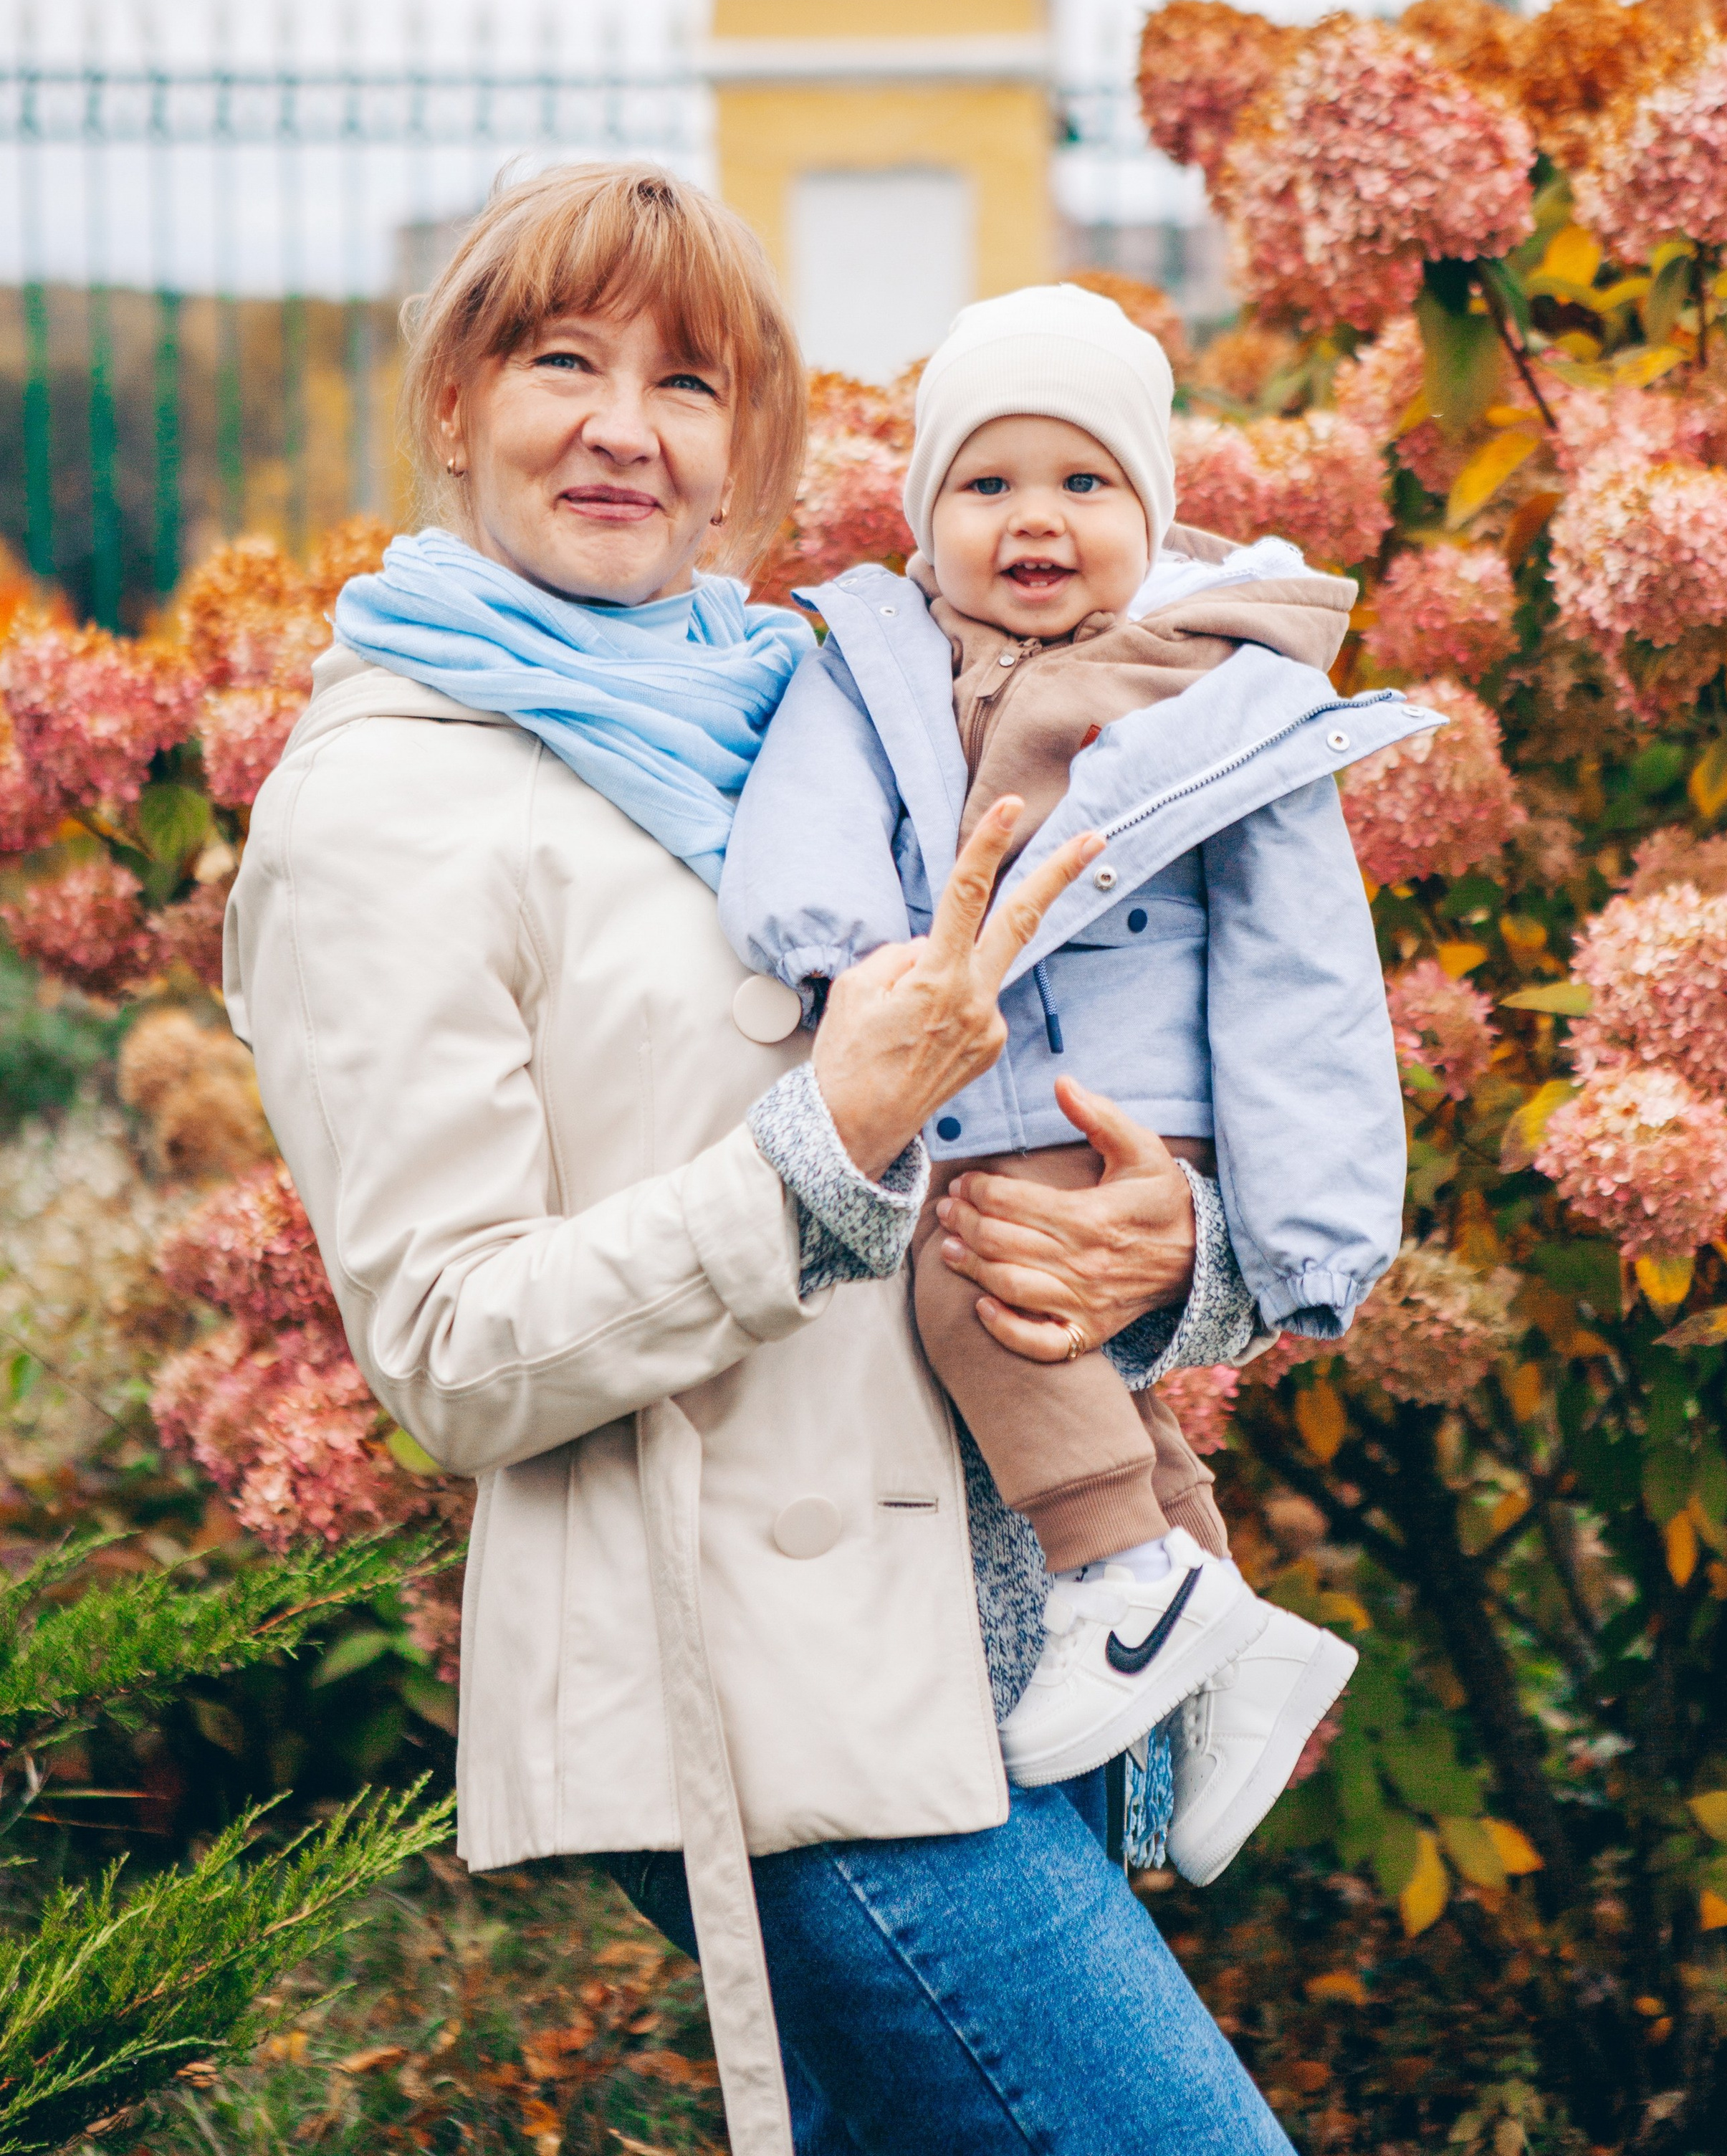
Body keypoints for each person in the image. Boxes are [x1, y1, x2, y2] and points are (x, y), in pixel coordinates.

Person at [224, 166, 1301, 2155]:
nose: (626, 426)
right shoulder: (380, 805)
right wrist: (830, 1140)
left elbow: (1048, 1092)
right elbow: (454, 1349)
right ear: (453, 407)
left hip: (1015, 1620)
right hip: (781, 1700)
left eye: (691, 381)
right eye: (563, 361)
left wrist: (1181, 1254)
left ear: (750, 451)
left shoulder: (820, 705)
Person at [723, 284, 1432, 1886]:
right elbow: (810, 808)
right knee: (1062, 1360)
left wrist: (1306, 1234)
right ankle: (1216, 1623)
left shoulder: (1220, 688)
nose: (1031, 521)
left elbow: (1302, 974)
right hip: (958, 1070)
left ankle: (1122, 1577)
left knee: (976, 1290)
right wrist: (839, 954)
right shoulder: (879, 654)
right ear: (925, 521)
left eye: (1080, 484)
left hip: (1121, 1116)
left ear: (1149, 511)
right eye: (985, 486)